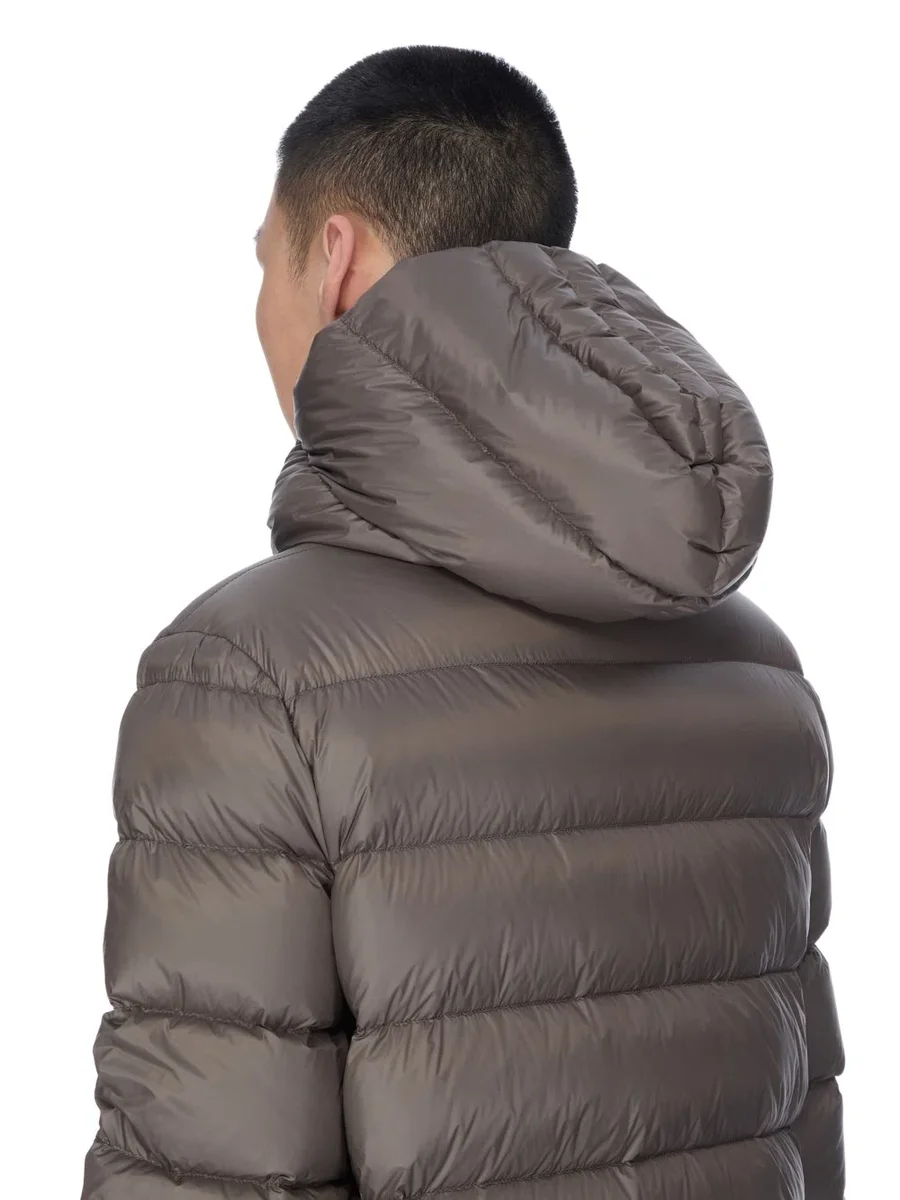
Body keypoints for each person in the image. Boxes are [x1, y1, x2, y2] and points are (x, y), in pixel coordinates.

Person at [81, 45, 844, 1200]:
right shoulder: (754, 664)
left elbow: (210, 1161)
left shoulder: (243, 674)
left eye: (266, 261)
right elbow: (800, 1118)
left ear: (336, 262)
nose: (262, 307)